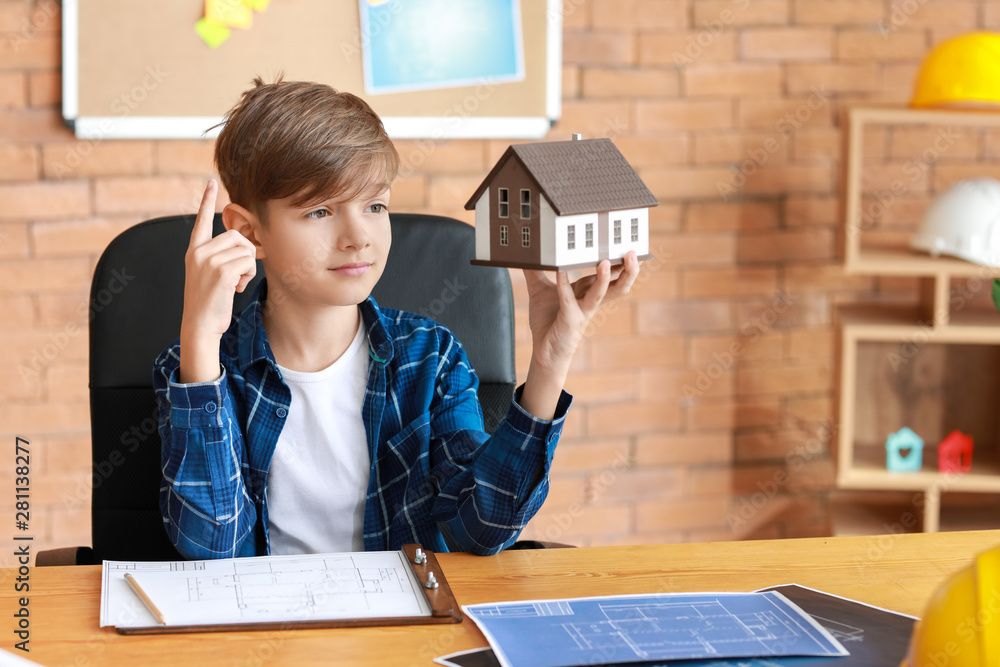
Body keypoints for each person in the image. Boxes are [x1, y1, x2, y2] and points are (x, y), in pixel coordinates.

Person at [154, 77, 640, 559]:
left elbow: (482, 529)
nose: (358, 236)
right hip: (271, 626)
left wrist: (551, 359)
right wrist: (200, 336)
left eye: (375, 205)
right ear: (249, 233)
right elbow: (213, 549)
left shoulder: (429, 357)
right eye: (320, 211)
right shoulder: (200, 370)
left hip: (404, 628)